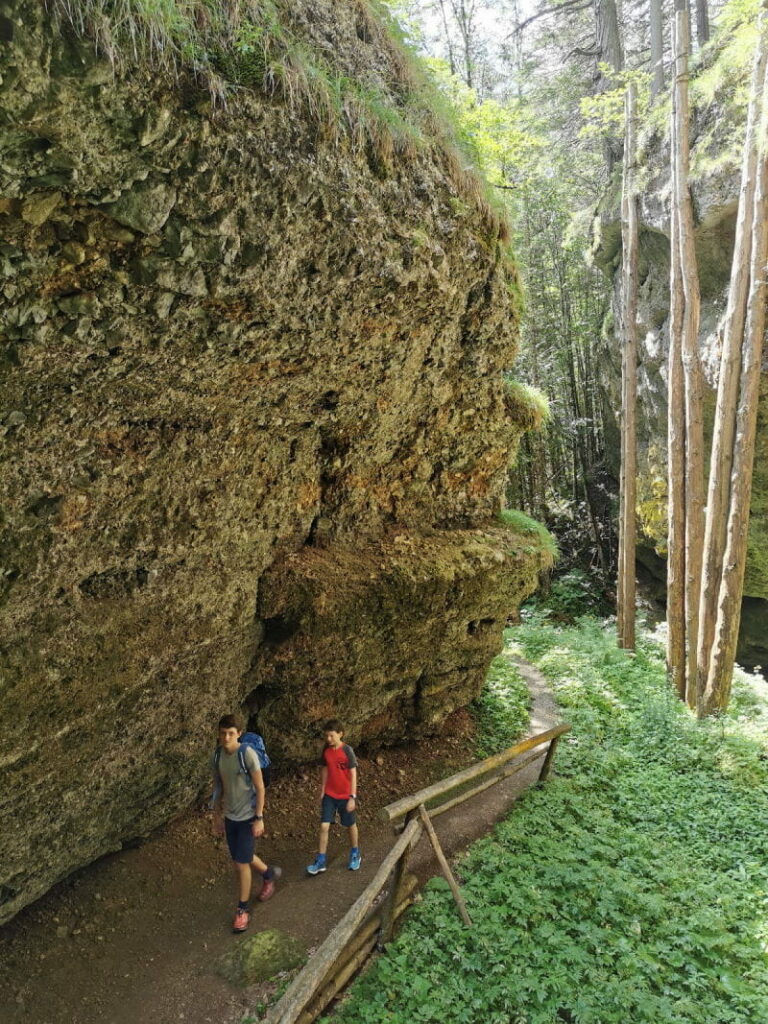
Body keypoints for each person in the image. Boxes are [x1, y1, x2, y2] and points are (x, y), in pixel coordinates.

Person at [211, 714, 281, 933]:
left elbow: (260, 787)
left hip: (248, 816)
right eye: (223, 733)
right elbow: (218, 788)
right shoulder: (217, 756)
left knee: (241, 864)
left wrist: (259, 817)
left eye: (231, 733)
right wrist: (216, 816)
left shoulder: (247, 754)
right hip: (230, 817)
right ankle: (269, 874)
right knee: (244, 856)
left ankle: (242, 910)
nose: (226, 738)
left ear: (239, 733)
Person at [306, 719, 361, 875]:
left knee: (350, 825)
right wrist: (322, 790)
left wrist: (352, 796)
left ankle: (355, 852)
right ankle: (321, 860)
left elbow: (353, 774)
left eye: (331, 736)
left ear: (340, 734)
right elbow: (324, 769)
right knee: (324, 826)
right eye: (326, 736)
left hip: (345, 795)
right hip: (330, 794)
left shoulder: (347, 750)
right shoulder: (326, 751)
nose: (328, 739)